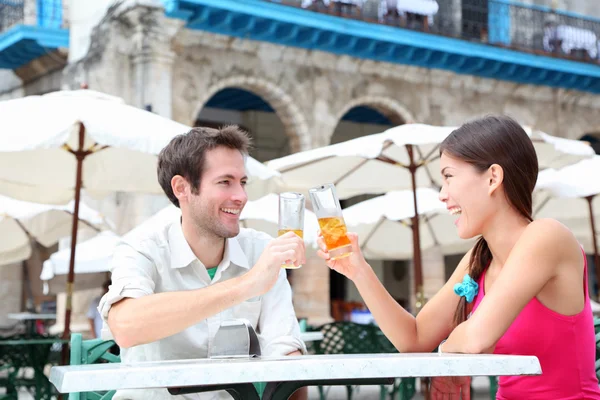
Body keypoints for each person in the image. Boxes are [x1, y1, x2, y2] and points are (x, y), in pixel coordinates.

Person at [316, 115, 600, 399]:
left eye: (449, 176)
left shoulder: (547, 236)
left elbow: (477, 338)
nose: (442, 194)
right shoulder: (479, 259)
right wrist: (359, 271)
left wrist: (446, 353)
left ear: (493, 178)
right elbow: (413, 339)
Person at [99, 126, 307, 400]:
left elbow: (286, 352)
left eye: (243, 182)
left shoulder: (261, 250)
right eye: (225, 182)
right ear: (182, 188)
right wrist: (246, 285)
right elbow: (126, 327)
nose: (241, 196)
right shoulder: (142, 248)